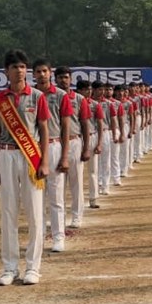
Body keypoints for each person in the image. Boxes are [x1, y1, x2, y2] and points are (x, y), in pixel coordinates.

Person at [0, 49, 51, 286]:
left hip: (30, 156)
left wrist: (44, 161)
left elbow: (43, 130)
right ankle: (10, 267)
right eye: (14, 67)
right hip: (6, 155)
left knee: (35, 213)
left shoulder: (37, 97)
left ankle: (33, 267)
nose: (19, 71)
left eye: (23, 67)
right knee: (8, 212)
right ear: (6, 71)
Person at [32, 60, 72, 252]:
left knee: (56, 196)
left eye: (45, 71)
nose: (42, 75)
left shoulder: (61, 95)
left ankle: (58, 237)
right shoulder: (30, 95)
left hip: (54, 145)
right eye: (38, 71)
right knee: (35, 197)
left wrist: (64, 156)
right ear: (33, 74)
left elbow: (66, 127)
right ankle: (38, 237)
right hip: (32, 148)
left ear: (50, 73)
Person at [55, 68, 92, 230]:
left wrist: (86, 148)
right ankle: (59, 218)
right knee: (57, 184)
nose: (63, 80)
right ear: (55, 79)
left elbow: (85, 124)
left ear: (71, 79)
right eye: (60, 77)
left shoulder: (79, 99)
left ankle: (77, 216)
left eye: (66, 77)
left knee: (76, 182)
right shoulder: (51, 97)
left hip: (74, 142)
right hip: (56, 144)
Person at [81, 80, 105, 209]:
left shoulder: (95, 105)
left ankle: (93, 198)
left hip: (91, 137)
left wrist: (99, 143)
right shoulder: (74, 102)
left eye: (90, 89)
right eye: (86, 89)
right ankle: (78, 201)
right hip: (77, 138)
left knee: (93, 170)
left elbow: (100, 124)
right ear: (80, 91)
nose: (89, 92)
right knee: (77, 173)